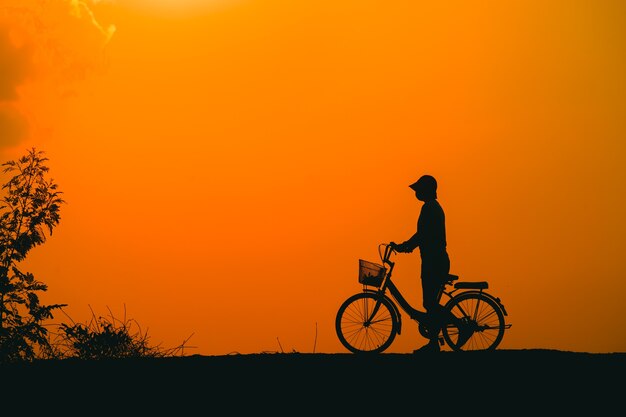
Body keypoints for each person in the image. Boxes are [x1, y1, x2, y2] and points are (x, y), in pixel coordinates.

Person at [391, 174, 470, 352]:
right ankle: (434, 342)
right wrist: (407, 246)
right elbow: (422, 235)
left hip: (434, 262)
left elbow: (422, 235)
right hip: (434, 260)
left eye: (419, 189)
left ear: (426, 190)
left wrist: (404, 246)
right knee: (430, 304)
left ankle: (458, 327)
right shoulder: (433, 207)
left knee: (430, 304)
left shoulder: (430, 208)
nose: (416, 193)